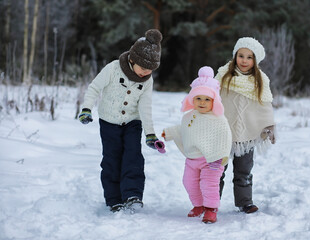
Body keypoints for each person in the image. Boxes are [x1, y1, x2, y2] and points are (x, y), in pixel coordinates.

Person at [78, 29, 165, 213]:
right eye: (143, 68)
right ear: (133, 59)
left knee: (133, 157)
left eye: (150, 69)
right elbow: (94, 88)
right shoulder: (113, 68)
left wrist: (150, 134)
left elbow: (145, 107)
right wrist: (86, 108)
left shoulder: (147, 81)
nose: (146, 72)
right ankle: (114, 198)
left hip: (133, 123)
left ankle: (133, 195)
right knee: (112, 159)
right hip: (109, 122)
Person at [162, 66, 232, 223]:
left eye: (207, 99)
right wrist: (170, 133)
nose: (202, 102)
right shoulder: (189, 116)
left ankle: (211, 209)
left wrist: (219, 157)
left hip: (211, 160)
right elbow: (184, 130)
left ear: (214, 101)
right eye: (198, 98)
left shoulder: (218, 119)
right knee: (189, 183)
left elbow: (224, 137)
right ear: (191, 99)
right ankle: (198, 205)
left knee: (209, 185)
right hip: (192, 159)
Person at [215, 37, 276, 214]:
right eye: (241, 55)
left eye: (249, 57)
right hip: (222, 131)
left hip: (247, 134)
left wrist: (269, 126)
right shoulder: (223, 74)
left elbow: (265, 105)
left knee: (244, 170)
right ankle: (211, 201)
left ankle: (245, 202)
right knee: (217, 170)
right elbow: (210, 96)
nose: (244, 60)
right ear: (235, 56)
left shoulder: (260, 81)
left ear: (255, 60)